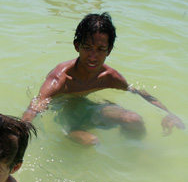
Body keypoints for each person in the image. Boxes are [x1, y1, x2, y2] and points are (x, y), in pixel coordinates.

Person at [22, 12, 184, 145]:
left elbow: (138, 92)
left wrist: (168, 113)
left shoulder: (109, 77)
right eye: (87, 48)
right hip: (65, 117)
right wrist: (18, 136)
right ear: (77, 46)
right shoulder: (61, 78)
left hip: (88, 109)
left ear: (109, 50)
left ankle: (134, 154)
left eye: (100, 49)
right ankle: (70, 135)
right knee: (92, 141)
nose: (93, 56)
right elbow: (34, 108)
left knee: (134, 119)